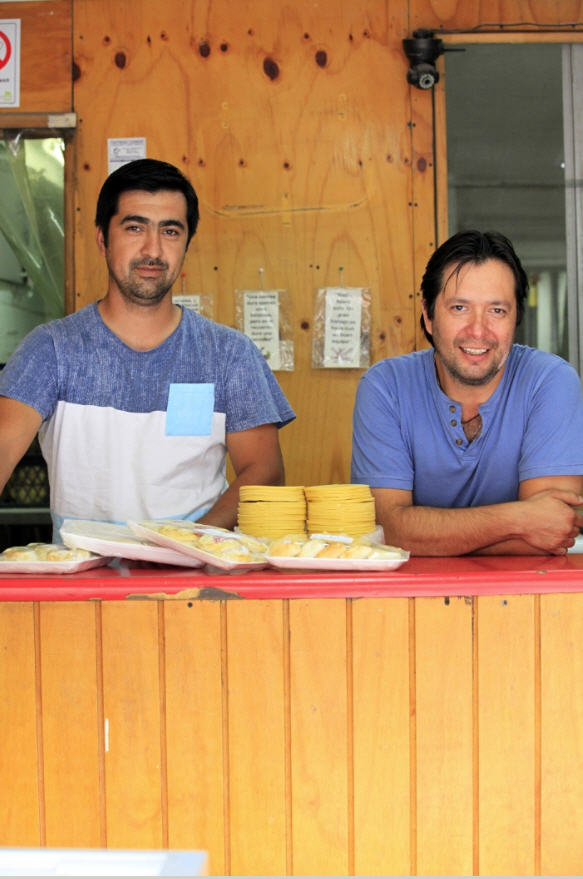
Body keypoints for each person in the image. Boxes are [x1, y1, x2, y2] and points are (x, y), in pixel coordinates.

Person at [0, 158, 295, 538]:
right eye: (135, 227)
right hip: (82, 584)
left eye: (170, 231)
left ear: (187, 243)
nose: (152, 250)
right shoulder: (51, 350)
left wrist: (185, 544)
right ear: (102, 239)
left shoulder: (229, 354)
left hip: (196, 584)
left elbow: (265, 474)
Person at [351, 229, 583, 556]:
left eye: (497, 310)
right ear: (428, 315)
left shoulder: (549, 381)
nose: (478, 330)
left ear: (516, 317)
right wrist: (518, 519)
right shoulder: (386, 387)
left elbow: (554, 529)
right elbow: (385, 530)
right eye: (459, 308)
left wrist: (427, 534)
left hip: (528, 600)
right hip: (407, 603)